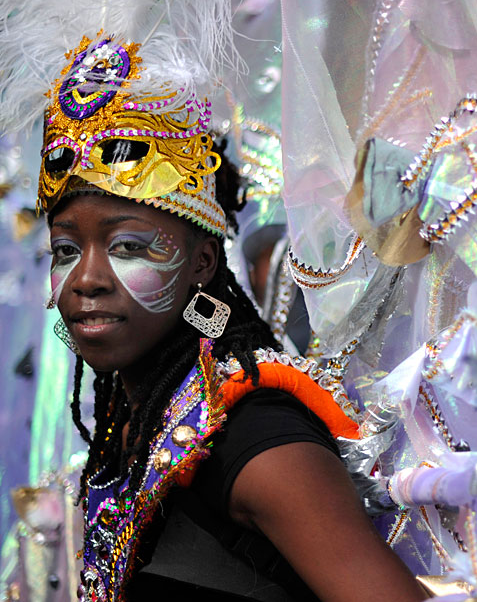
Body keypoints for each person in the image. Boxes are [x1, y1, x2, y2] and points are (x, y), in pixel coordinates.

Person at [37, 32, 427, 602]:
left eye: (128, 247)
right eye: (65, 250)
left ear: (202, 262)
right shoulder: (139, 418)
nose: (86, 278)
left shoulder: (255, 440)